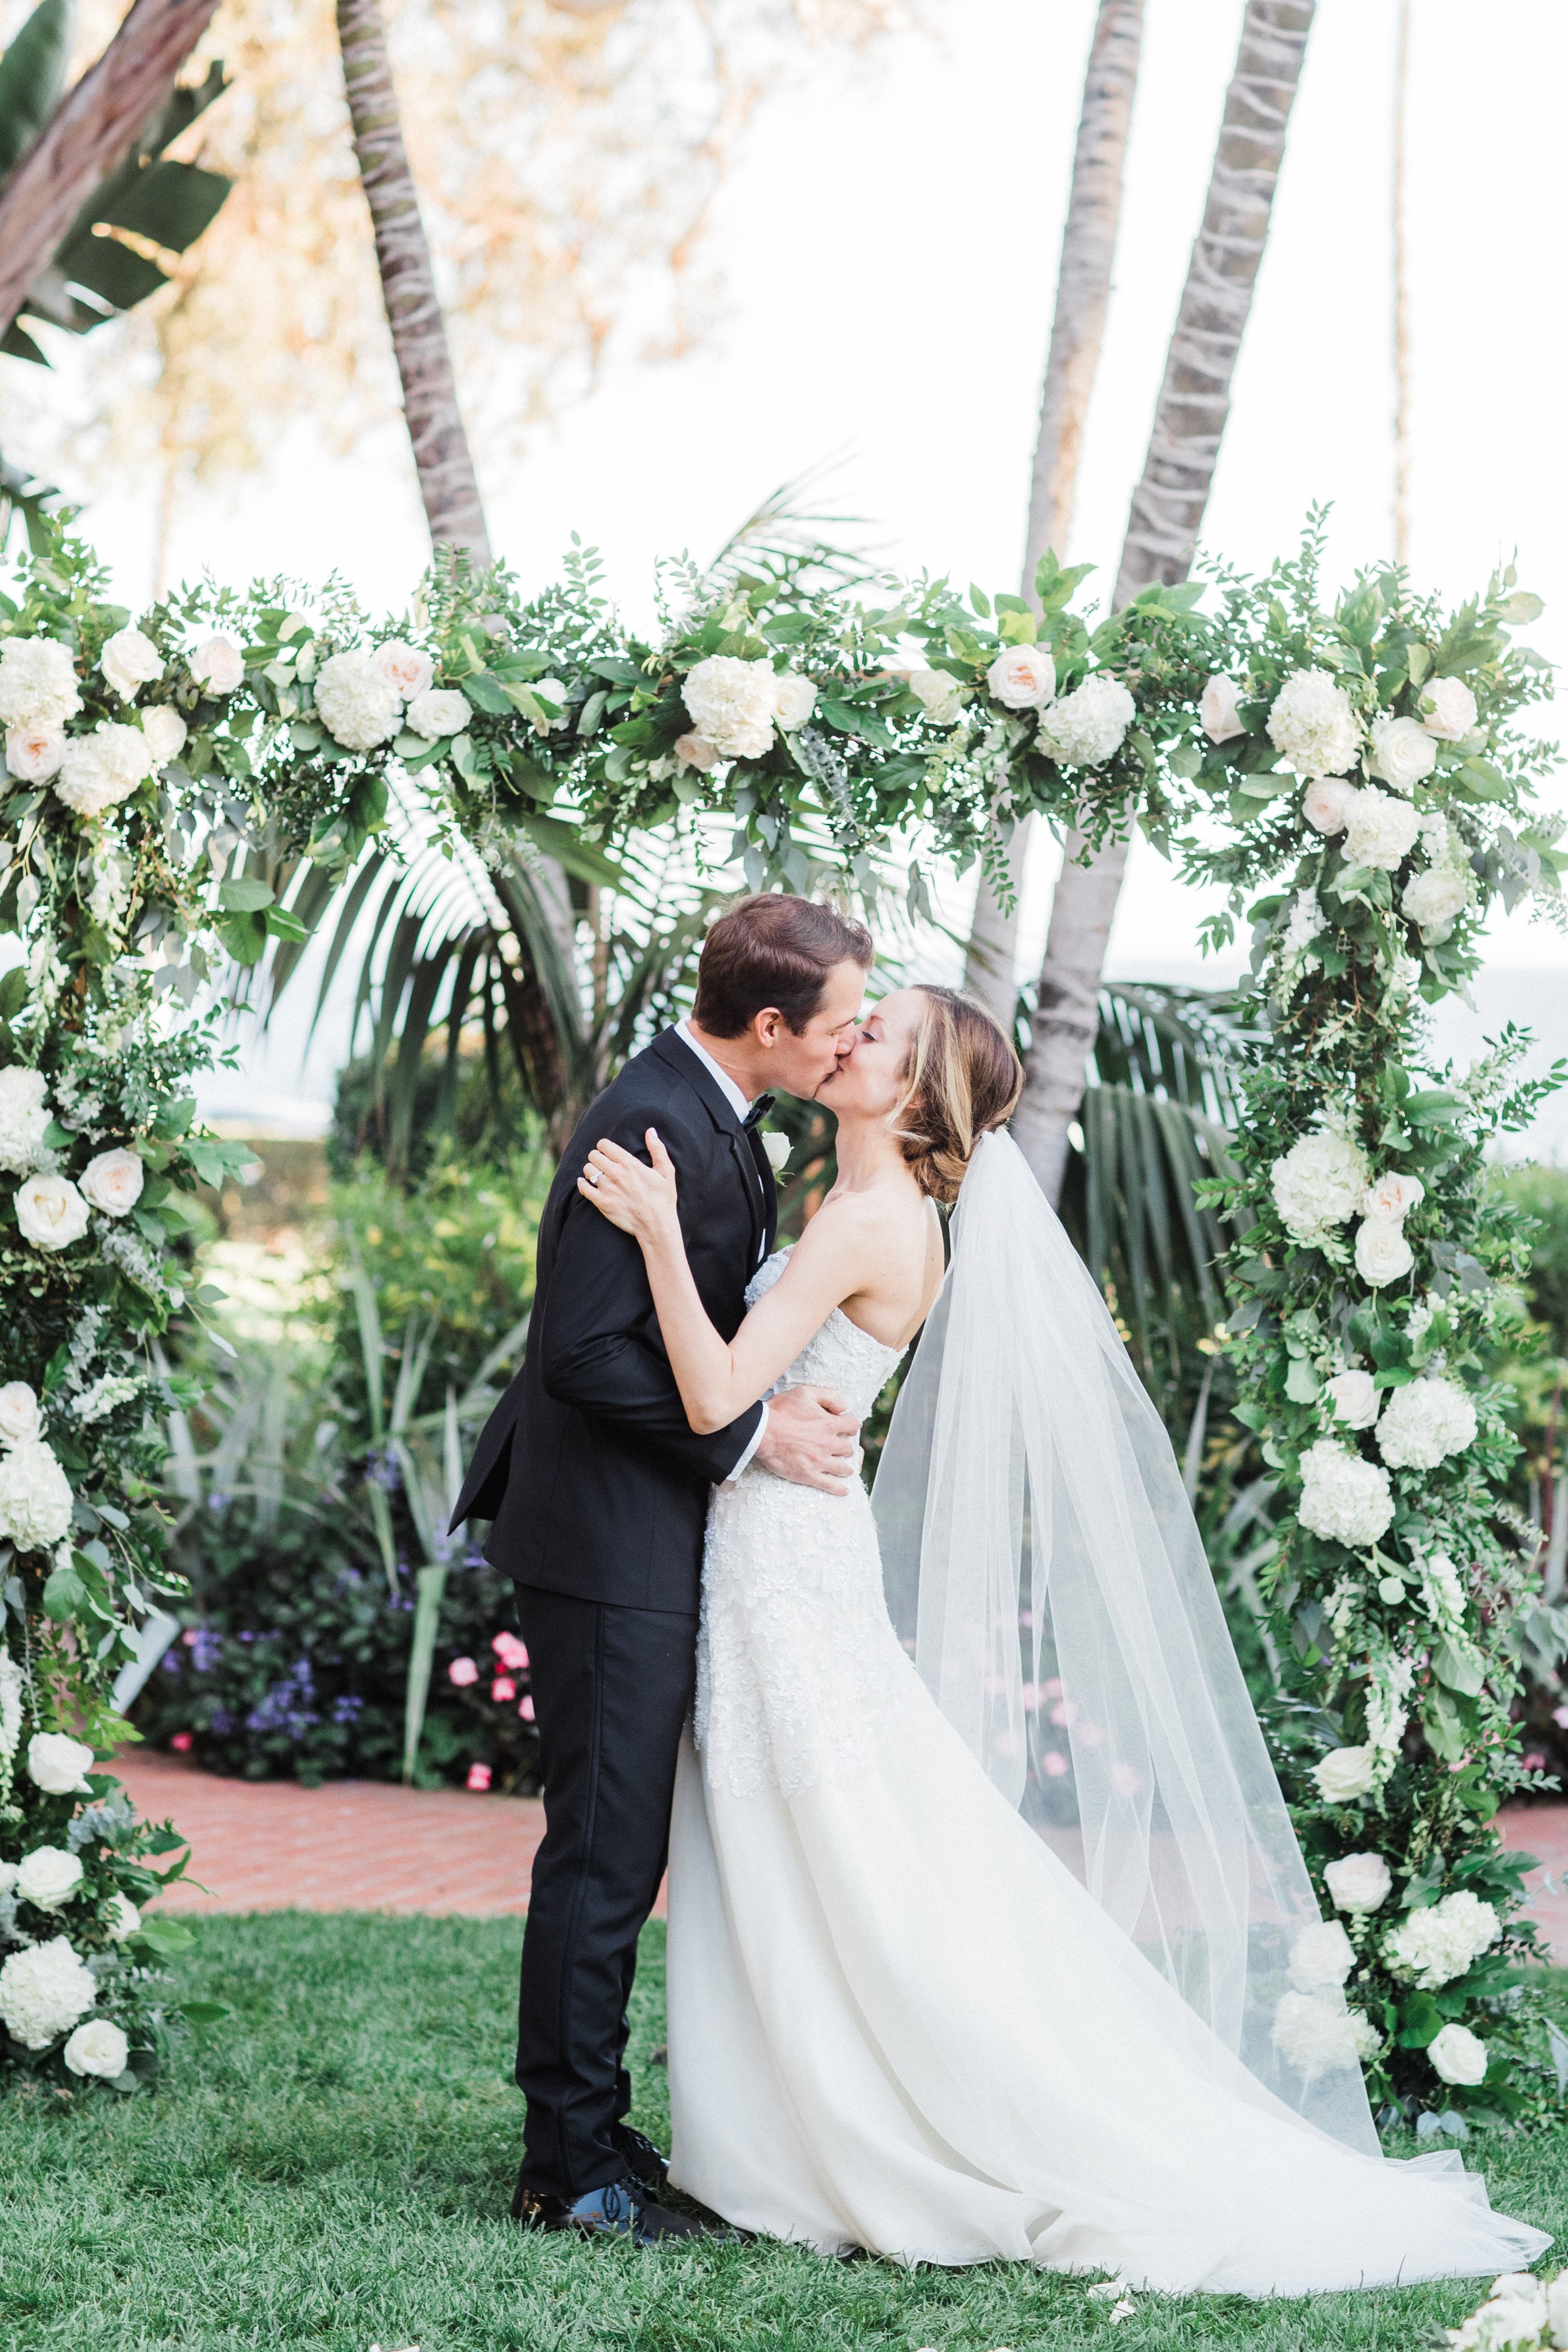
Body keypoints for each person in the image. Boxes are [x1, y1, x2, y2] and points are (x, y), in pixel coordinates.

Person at [574, 979, 1550, 2294]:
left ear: (918, 1096)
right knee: (802, 1846)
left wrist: (646, 1236)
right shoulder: (855, 1204)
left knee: (840, 1852)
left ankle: (872, 2127)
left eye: (884, 1037)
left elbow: (711, 1388)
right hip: (778, 1552)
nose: (851, 1035)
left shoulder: (871, 1220)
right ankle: (782, 2134)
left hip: (787, 1566)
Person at [448, 894, 874, 2242]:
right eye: (840, 1026)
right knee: (598, 1856)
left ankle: (592, 2131)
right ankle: (565, 2169)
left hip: (641, 1533)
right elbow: (579, 1353)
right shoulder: (652, 1120)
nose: (849, 1046)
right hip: (601, 1542)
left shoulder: (706, 1113)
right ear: (767, 1026)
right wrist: (748, 1436)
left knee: (616, 1849)